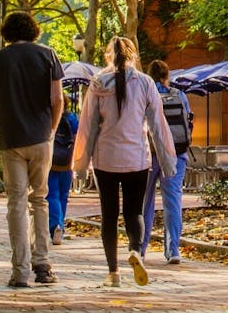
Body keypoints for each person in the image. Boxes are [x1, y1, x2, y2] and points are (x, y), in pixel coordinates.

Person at [73, 37, 176, 288]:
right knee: (134, 212)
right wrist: (168, 162)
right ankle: (135, 251)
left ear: (108, 56)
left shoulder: (97, 83)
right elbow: (158, 127)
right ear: (133, 56)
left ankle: (113, 273)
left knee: (109, 216)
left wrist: (80, 164)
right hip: (137, 159)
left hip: (105, 159)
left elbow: (88, 127)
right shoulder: (145, 82)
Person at [0, 12, 63, 289]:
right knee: (39, 200)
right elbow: (57, 100)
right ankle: (43, 264)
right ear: (34, 31)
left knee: (16, 202)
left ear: (6, 33)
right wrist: (50, 131)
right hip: (41, 139)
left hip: (11, 141)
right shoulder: (48, 55)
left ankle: (20, 271)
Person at [141, 60, 192, 266]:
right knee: (173, 201)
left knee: (145, 202)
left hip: (149, 155)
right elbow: (188, 122)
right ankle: (173, 250)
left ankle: (140, 248)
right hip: (176, 154)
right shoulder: (179, 95)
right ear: (166, 76)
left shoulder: (145, 94)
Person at [45, 93, 79, 246]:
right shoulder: (72, 118)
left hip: (51, 161)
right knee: (63, 196)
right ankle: (61, 227)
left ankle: (55, 226)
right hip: (67, 161)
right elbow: (78, 138)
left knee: (52, 195)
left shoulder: (49, 116)